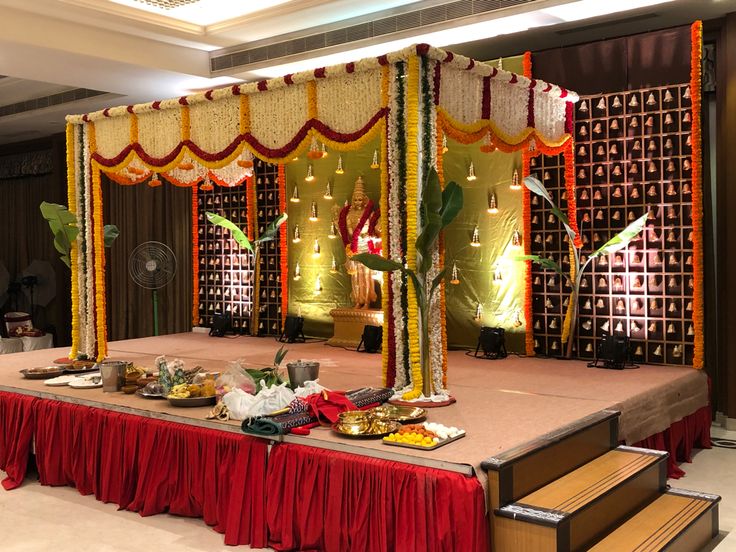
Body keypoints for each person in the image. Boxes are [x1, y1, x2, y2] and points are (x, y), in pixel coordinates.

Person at [337, 176, 381, 309]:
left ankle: (367, 301)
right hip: (354, 247)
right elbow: (347, 231)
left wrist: (365, 234)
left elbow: (373, 229)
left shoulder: (369, 213)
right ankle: (357, 301)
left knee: (366, 275)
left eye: (360, 199)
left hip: (366, 246)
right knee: (355, 276)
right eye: (355, 199)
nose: (358, 201)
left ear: (364, 199)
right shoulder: (348, 214)